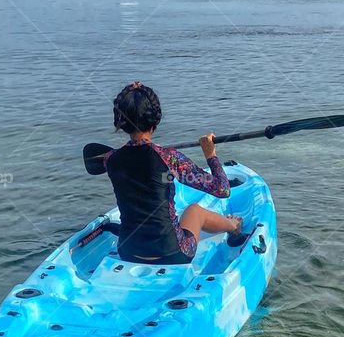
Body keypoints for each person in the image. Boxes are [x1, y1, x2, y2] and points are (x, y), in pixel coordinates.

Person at [103, 82, 245, 264]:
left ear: (121, 120)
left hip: (127, 250)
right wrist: (211, 155)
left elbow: (135, 159)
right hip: (173, 253)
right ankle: (233, 226)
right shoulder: (168, 158)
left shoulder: (110, 159)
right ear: (155, 120)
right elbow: (222, 190)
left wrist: (130, 95)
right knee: (195, 211)